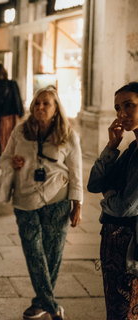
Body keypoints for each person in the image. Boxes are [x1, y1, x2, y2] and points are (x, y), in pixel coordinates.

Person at [0, 86, 82, 320]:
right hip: (24, 199)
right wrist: (11, 162)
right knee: (34, 252)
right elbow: (4, 158)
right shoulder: (20, 131)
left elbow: (76, 171)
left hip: (58, 199)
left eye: (46, 104)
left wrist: (78, 205)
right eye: (37, 103)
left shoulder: (68, 134)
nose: (40, 107)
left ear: (56, 110)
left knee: (53, 254)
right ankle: (52, 306)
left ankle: (41, 302)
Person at [87, 82, 138, 320]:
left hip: (130, 247)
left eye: (129, 106)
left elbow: (124, 206)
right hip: (114, 244)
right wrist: (111, 146)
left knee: (126, 312)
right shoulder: (131, 149)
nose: (122, 114)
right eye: (118, 108)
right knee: (115, 309)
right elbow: (94, 184)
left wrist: (108, 195)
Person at [0, 63, 24, 169]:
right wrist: (21, 113)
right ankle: (11, 164)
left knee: (2, 144)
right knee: (13, 141)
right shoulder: (13, 84)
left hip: (0, 119)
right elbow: (18, 99)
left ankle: (4, 165)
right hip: (13, 117)